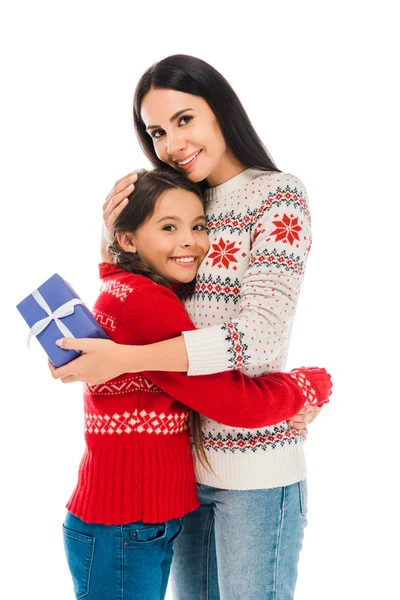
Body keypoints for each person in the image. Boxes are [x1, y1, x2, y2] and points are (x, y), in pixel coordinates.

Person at [52, 55, 330, 599]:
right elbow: (132, 299)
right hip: (181, 471)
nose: (172, 143)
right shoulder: (182, 197)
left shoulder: (278, 196)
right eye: (157, 131)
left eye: (184, 120)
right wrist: (110, 231)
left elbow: (259, 335)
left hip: (256, 468)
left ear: (220, 111)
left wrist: (127, 360)